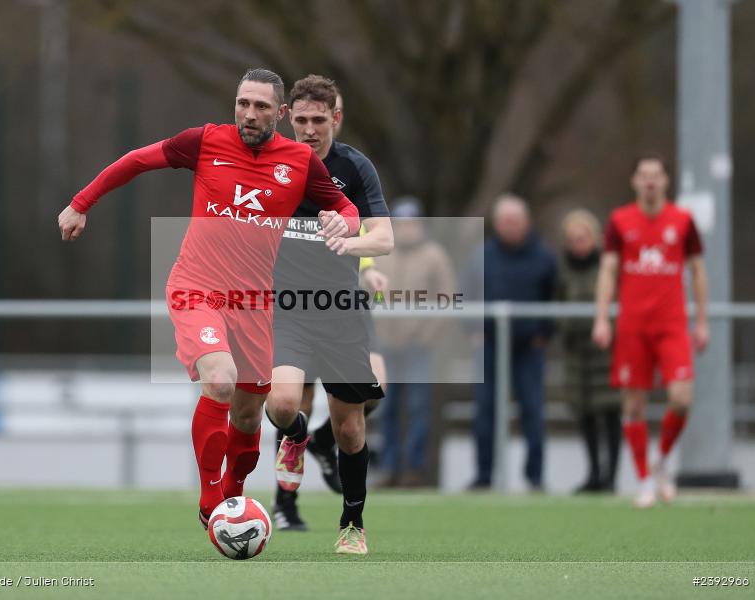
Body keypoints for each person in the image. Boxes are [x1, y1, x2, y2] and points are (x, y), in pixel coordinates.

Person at [57, 68, 360, 529]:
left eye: (260, 107)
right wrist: (81, 202)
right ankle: (210, 500)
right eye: (243, 103)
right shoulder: (205, 142)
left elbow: (345, 208)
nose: (249, 114)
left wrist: (346, 222)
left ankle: (233, 501)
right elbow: (138, 160)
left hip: (255, 302)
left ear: (279, 113)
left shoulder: (299, 162)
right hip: (197, 287)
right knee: (219, 379)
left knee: (248, 415)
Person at [266, 74, 393, 554]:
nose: (309, 129)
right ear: (288, 119)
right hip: (287, 309)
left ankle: (352, 524)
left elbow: (384, 238)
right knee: (282, 405)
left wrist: (349, 241)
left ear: (334, 119)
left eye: (319, 120)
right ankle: (296, 440)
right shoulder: (270, 162)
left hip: (340, 311)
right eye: (300, 120)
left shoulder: (355, 168)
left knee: (350, 427)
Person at [592, 156, 708, 508]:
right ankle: (643, 479)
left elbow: (698, 272)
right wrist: (601, 317)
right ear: (634, 182)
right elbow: (608, 271)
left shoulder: (683, 221)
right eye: (644, 176)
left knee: (681, 399)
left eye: (656, 175)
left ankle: (660, 460)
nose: (650, 182)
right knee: (634, 402)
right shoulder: (619, 221)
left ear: (666, 181)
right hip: (633, 325)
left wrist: (701, 320)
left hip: (672, 324)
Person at [467, 194, 557, 491]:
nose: (510, 226)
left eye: (515, 221)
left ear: (526, 222)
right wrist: (472, 331)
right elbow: (465, 294)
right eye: (505, 221)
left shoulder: (544, 258)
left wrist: (545, 333)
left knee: (532, 411)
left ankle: (535, 477)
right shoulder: (481, 257)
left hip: (529, 348)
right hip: (490, 344)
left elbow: (555, 297)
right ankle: (483, 476)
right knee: (485, 412)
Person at [373, 197, 456, 487]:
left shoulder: (435, 256)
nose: (407, 229)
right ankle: (389, 467)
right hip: (387, 347)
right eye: (401, 223)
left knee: (419, 409)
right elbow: (373, 297)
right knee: (387, 408)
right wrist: (379, 332)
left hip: (420, 348)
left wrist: (426, 336)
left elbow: (447, 299)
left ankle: (414, 468)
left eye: (411, 223)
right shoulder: (383, 254)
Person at [557, 210, 621, 493]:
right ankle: (594, 473)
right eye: (572, 239)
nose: (578, 244)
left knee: (611, 414)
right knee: (584, 414)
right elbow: (556, 303)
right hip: (577, 352)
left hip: (607, 351)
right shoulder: (562, 270)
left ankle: (611, 476)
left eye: (582, 238)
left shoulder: (610, 267)